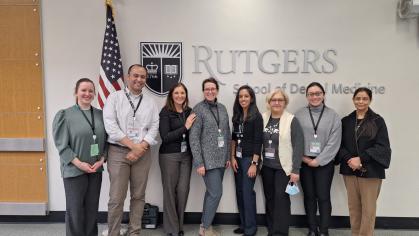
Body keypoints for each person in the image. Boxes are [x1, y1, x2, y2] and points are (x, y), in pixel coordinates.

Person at [103, 64, 159, 236]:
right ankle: (114, 232)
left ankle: (134, 231)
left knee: (138, 196)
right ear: (128, 77)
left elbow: (154, 126)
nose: (139, 79)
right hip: (118, 152)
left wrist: (140, 147)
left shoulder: (150, 102)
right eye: (135, 75)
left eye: (142, 77)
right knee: (116, 198)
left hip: (143, 153)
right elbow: (111, 126)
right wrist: (133, 146)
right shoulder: (114, 98)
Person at [52, 78, 107, 236]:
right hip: (74, 170)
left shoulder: (100, 115)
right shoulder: (65, 115)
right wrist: (79, 163)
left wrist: (101, 160)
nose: (87, 94)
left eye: (91, 91)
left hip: (95, 170)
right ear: (76, 92)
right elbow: (62, 145)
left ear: (95, 94)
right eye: (83, 90)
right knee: (75, 211)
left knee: (91, 210)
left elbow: (106, 142)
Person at [337, 87, 391, 236]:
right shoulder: (346, 121)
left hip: (371, 171)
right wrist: (349, 159)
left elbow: (383, 147)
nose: (361, 101)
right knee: (354, 208)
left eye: (365, 98)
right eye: (358, 98)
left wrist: (361, 159)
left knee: (368, 210)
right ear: (353, 100)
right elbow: (338, 145)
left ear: (370, 100)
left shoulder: (378, 121)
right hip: (349, 171)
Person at [295, 82, 342, 236]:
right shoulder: (299, 114)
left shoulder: (333, 116)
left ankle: (324, 230)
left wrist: (319, 160)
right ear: (307, 96)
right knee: (308, 197)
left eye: (317, 93)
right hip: (304, 161)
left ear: (323, 95)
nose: (314, 97)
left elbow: (334, 142)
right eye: (311, 94)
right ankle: (312, 228)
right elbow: (294, 139)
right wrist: (305, 159)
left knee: (323, 196)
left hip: (325, 163)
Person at [189, 77, 231, 236]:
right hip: (207, 161)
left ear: (217, 90)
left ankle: (204, 226)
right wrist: (199, 162)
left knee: (211, 193)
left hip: (221, 160)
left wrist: (227, 156)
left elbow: (226, 133)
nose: (210, 91)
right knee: (216, 193)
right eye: (207, 89)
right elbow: (193, 137)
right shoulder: (198, 109)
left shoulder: (223, 108)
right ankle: (205, 228)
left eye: (213, 89)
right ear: (203, 91)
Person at [260, 89, 304, 236]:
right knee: (270, 198)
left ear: (285, 102)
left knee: (281, 200)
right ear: (269, 102)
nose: (277, 102)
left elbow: (299, 145)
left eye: (280, 100)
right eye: (274, 100)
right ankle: (272, 229)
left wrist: (296, 169)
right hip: (266, 166)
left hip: (283, 168)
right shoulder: (263, 118)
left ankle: (280, 232)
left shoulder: (291, 119)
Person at [159, 83, 196, 236]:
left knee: (183, 191)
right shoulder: (166, 112)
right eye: (177, 93)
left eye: (182, 93)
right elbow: (165, 137)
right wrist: (185, 127)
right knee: (169, 191)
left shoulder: (189, 111)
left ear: (186, 95)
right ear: (171, 95)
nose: (180, 96)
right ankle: (171, 229)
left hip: (186, 156)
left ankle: (179, 226)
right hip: (169, 155)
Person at [230, 85, 263, 236]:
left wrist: (254, 164)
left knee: (247, 193)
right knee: (240, 191)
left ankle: (251, 228)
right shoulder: (236, 116)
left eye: (246, 96)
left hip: (250, 159)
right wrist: (232, 157)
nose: (243, 99)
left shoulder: (256, 116)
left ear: (251, 98)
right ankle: (243, 224)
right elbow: (233, 139)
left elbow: (258, 142)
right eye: (240, 96)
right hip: (238, 158)